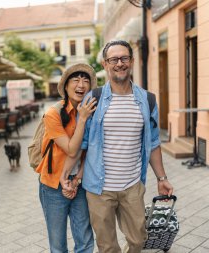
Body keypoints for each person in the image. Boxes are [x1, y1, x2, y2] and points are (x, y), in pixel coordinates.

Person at [80, 40, 174, 253]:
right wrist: (76, 175)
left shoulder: (148, 99)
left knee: (139, 239)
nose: (119, 63)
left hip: (132, 184)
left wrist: (162, 178)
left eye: (124, 58)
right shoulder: (93, 99)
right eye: (114, 59)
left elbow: (153, 143)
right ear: (105, 64)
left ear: (132, 61)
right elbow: (82, 144)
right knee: (106, 245)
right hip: (98, 188)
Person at [36, 63, 97, 253]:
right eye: (76, 80)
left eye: (86, 80)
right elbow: (72, 150)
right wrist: (83, 118)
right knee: (58, 245)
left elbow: (91, 151)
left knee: (85, 241)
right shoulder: (53, 114)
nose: (81, 85)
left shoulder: (92, 111)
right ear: (65, 86)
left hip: (79, 182)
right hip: (53, 185)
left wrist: (78, 177)